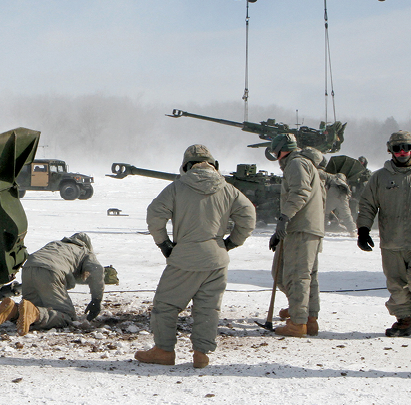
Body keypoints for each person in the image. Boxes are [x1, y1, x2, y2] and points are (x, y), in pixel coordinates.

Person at [134, 144, 255, 368]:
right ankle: (201, 354)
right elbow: (248, 215)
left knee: (166, 304)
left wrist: (164, 244)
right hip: (217, 259)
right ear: (214, 165)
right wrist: (231, 243)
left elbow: (155, 214)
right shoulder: (228, 189)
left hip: (185, 258)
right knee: (208, 308)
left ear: (186, 166)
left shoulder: (177, 188)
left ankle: (164, 351)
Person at [356, 131, 411, 337]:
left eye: (407, 148)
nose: (402, 152)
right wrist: (363, 229)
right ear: (390, 150)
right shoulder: (379, 178)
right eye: (397, 148)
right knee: (396, 284)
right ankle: (403, 321)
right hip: (391, 243)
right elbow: (367, 205)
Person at [0, 232, 103, 335]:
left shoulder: (57, 244)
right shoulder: (85, 251)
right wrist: (96, 299)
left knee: (27, 310)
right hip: (51, 272)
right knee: (67, 317)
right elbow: (97, 271)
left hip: (28, 268)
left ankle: (13, 310)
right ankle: (36, 314)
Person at [267, 133, 326, 337]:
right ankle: (309, 318)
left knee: (295, 275)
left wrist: (284, 218)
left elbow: (300, 192)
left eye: (276, 153)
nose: (276, 158)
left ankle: (298, 322)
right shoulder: (306, 164)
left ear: (282, 150)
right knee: (307, 276)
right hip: (308, 227)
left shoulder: (295, 164)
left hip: (300, 228)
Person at [303, 148, 355, 235]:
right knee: (346, 214)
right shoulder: (336, 176)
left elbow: (321, 184)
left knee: (324, 211)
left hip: (333, 193)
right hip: (342, 194)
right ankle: (352, 231)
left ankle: (320, 229)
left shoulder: (319, 172)